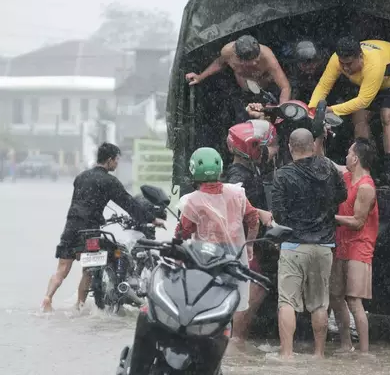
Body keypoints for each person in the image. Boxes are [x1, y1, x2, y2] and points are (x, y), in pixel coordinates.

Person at [41, 143, 166, 313]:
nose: (117, 164)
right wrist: (152, 219)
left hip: (71, 226)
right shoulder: (109, 181)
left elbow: (82, 202)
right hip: (91, 230)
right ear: (109, 160)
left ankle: (47, 298)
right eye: (116, 160)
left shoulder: (81, 177)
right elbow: (128, 203)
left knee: (62, 269)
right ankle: (80, 306)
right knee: (88, 271)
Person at [269, 128, 347, 361]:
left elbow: (279, 216)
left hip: (293, 246)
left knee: (287, 302)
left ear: (290, 148)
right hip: (324, 247)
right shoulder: (328, 168)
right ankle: (319, 354)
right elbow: (342, 196)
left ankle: (286, 355)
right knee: (319, 303)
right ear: (313, 146)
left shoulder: (282, 175)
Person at [174, 147, 260, 338]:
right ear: (221, 168)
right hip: (235, 259)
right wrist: (251, 245)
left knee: (205, 306)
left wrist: (178, 258)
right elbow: (253, 218)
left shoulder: (191, 201)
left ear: (192, 169)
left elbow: (182, 233)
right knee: (231, 305)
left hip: (206, 258)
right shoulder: (237, 193)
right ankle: (229, 345)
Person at [308, 37, 390, 182]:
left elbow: (363, 101)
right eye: (342, 64)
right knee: (358, 118)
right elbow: (323, 86)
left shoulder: (373, 64)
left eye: (349, 64)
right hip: (373, 80)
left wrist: (330, 110)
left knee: (387, 115)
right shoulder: (337, 59)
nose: (345, 68)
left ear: (360, 57)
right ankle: (365, 165)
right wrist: (312, 109)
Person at [219, 120, 278, 346]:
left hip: (245, 243)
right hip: (243, 245)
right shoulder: (238, 175)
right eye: (263, 147)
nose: (269, 151)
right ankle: (236, 343)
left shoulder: (246, 170)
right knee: (252, 292)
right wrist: (261, 212)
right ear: (251, 148)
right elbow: (233, 201)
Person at [328, 138, 379, 356]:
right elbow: (327, 163)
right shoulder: (347, 176)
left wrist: (330, 218)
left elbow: (358, 222)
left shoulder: (366, 186)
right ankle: (345, 345)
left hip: (360, 247)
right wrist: (321, 136)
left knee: (354, 301)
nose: (346, 156)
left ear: (356, 158)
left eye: (349, 153)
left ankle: (364, 352)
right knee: (335, 295)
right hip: (342, 245)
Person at [185, 34, 292, 104]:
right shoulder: (227, 52)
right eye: (251, 61)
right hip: (243, 93)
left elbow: (285, 87)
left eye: (257, 59)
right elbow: (219, 63)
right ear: (238, 57)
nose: (255, 62)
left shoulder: (268, 57)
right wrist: (200, 77)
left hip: (267, 91)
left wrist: (282, 109)